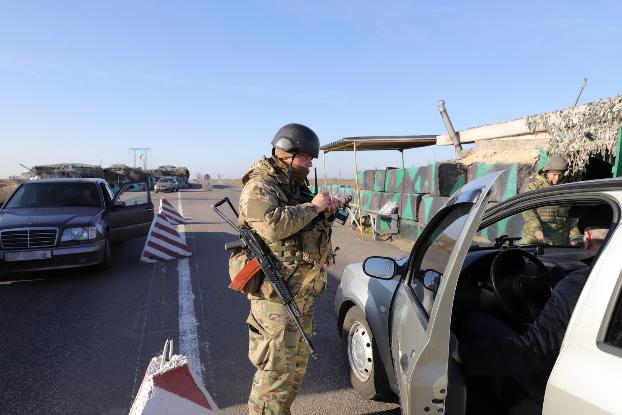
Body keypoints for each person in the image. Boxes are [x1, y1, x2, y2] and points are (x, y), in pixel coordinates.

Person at [455, 205, 612, 414]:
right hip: (603, 375)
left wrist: (462, 354)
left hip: (572, 387)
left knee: (477, 322)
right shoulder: (603, 277)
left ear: (588, 239)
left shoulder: (582, 283)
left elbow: (534, 351)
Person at [235, 123, 342, 414]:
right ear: (288, 154)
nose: (310, 163)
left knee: (294, 369)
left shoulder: (294, 185)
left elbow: (303, 228)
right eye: (306, 157)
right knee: (275, 373)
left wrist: (325, 215)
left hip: (300, 291)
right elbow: (271, 225)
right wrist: (313, 208)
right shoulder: (260, 186)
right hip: (276, 296)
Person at [521, 155, 580, 245]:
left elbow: (571, 217)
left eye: (560, 175)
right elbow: (527, 210)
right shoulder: (534, 188)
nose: (556, 178)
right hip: (536, 236)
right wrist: (535, 229)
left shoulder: (566, 189)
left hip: (560, 238)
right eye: (554, 175)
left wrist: (574, 237)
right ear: (547, 172)